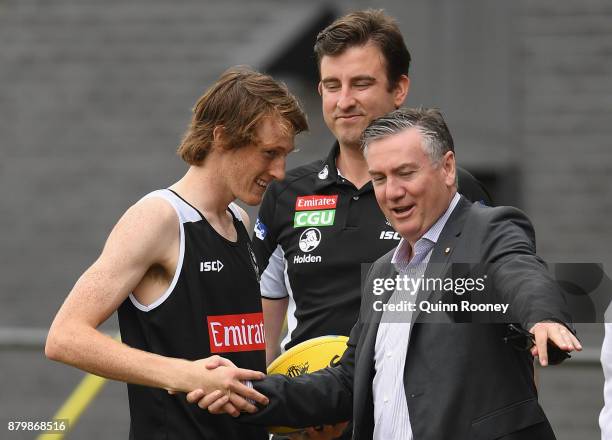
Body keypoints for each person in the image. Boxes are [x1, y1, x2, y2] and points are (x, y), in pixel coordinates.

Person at [191, 108, 582, 440]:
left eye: (405, 173)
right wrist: (246, 394)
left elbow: (518, 269)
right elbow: (345, 384)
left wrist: (543, 317)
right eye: (380, 178)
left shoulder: (487, 229)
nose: (391, 192)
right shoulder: (384, 271)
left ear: (447, 168)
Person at [45, 67, 308, 440]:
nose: (280, 171)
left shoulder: (239, 221)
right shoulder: (158, 218)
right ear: (222, 136)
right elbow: (64, 337)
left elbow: (240, 356)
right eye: (269, 153)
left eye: (284, 155)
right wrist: (183, 375)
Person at [254, 9, 492, 372]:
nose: (344, 100)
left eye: (361, 84)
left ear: (399, 89)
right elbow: (263, 339)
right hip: (310, 416)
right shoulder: (285, 193)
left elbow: (493, 321)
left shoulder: (451, 187)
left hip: (409, 416)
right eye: (332, 86)